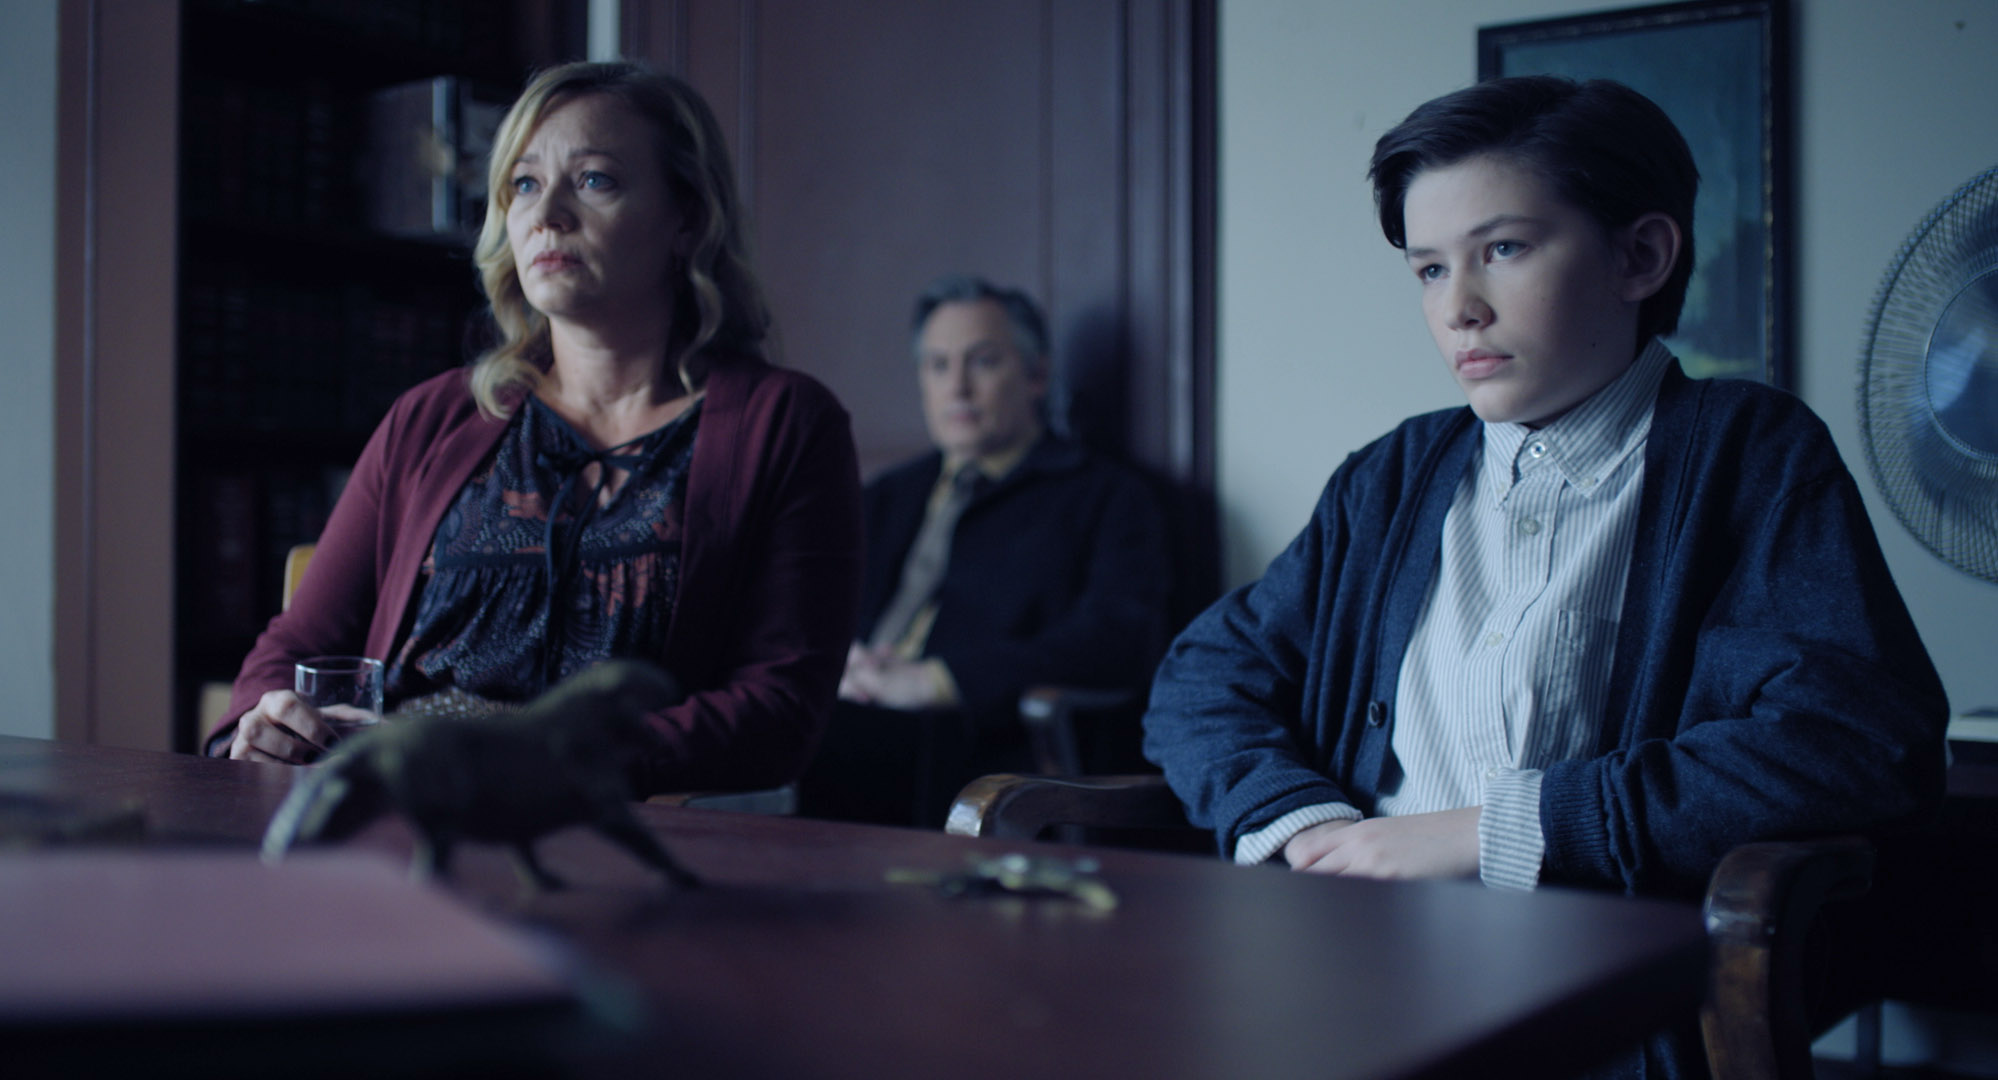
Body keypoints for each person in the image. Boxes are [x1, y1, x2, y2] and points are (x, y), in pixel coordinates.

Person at [1141, 76, 1948, 1073]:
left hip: (1598, 997)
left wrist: (1498, 831)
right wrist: (1300, 824)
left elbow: (1855, 740)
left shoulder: (1751, 454)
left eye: (1504, 250)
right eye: (1429, 270)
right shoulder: (1393, 476)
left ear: (1640, 255)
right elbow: (1203, 677)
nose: (1460, 309)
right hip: (1346, 964)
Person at [209, 61, 862, 799]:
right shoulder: (431, 418)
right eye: (523, 184)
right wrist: (264, 721)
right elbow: (294, 650)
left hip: (618, 836)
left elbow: (780, 711)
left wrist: (544, 760)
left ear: (688, 217)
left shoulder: (786, 424)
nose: (546, 213)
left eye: (593, 180)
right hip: (400, 817)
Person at [797, 276, 1172, 826]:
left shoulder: (1105, 497)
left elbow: (1119, 640)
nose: (958, 389)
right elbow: (807, 608)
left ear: (1037, 374)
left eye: (984, 362)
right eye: (938, 366)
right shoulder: (884, 496)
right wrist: (837, 661)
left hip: (979, 744)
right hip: (853, 709)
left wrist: (939, 680)